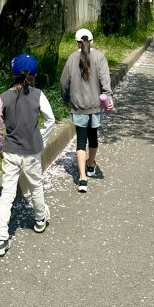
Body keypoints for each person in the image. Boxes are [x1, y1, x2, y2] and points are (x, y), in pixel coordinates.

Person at [0, 53, 55, 257]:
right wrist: (41, 140)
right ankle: (39, 220)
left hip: (10, 151)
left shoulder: (4, 97)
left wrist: (1, 148)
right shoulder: (38, 95)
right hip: (31, 152)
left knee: (7, 194)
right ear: (33, 75)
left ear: (13, 73)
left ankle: (1, 239)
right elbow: (50, 119)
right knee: (36, 186)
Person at [60, 28, 113, 193]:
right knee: (93, 136)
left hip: (78, 106)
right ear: (92, 41)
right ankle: (91, 164)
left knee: (81, 140)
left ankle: (82, 178)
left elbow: (63, 83)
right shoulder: (99, 57)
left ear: (76, 42)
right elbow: (105, 82)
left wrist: (66, 99)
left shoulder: (71, 58)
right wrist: (108, 98)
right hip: (95, 105)